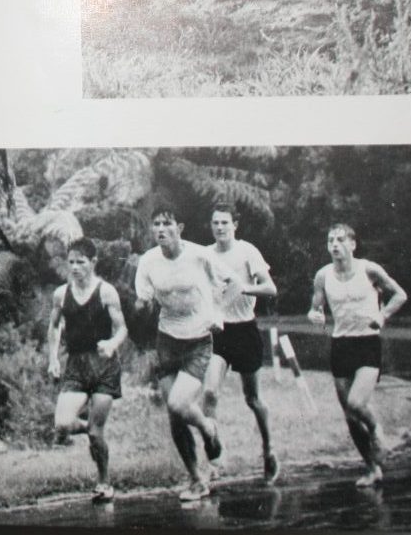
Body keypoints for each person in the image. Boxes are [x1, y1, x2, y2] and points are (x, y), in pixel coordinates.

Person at [134, 208, 237, 502]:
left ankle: (207, 427)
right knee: (175, 415)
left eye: (167, 224)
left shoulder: (199, 256)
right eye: (156, 224)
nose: (161, 229)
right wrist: (140, 309)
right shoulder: (148, 261)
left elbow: (234, 284)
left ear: (179, 227)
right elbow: (144, 299)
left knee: (180, 403)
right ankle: (196, 479)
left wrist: (218, 312)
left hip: (198, 341)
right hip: (167, 340)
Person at [308, 223, 407, 487]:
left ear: (353, 244)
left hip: (367, 343)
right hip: (340, 345)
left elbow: (400, 295)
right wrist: (315, 315)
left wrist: (382, 315)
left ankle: (376, 429)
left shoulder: (369, 269)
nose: (335, 245)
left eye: (341, 240)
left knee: (356, 404)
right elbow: (315, 307)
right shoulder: (323, 276)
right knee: (350, 415)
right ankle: (372, 468)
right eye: (331, 241)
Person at [201, 204, 280, 484]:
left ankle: (269, 450)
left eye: (224, 222)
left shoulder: (247, 251)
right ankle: (214, 457)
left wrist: (243, 287)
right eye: (215, 223)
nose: (219, 227)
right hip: (219, 332)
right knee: (209, 393)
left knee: (253, 398)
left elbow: (271, 288)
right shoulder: (206, 254)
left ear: (235, 225)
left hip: (245, 329)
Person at [47, 237, 128, 503]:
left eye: (81, 262)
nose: (75, 267)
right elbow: (55, 327)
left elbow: (122, 328)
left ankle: (104, 482)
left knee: (96, 433)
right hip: (76, 366)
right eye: (71, 262)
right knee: (62, 425)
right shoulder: (61, 294)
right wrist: (53, 359)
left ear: (93, 262)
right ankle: (92, 428)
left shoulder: (106, 292)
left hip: (104, 366)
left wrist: (112, 343)